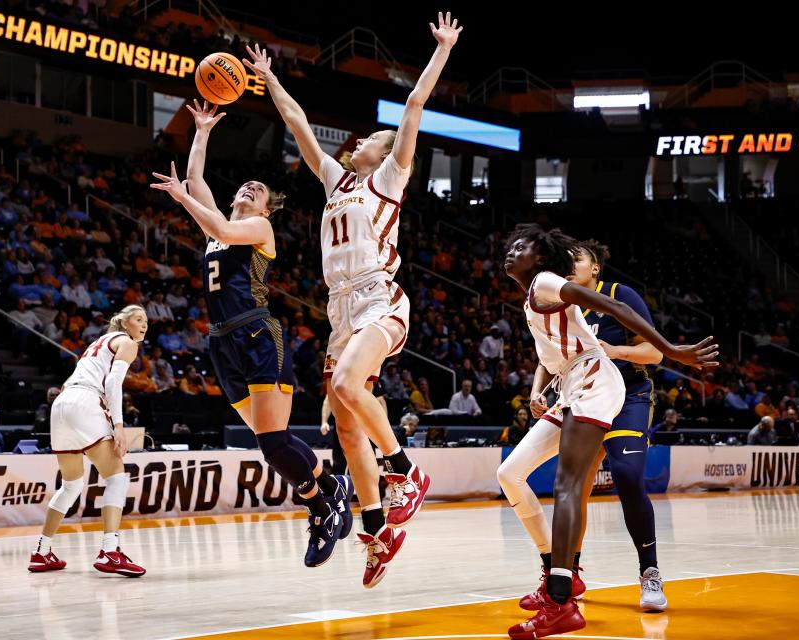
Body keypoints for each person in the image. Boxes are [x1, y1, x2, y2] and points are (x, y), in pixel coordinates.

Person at [246, 13, 462, 587]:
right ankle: (377, 528)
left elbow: (413, 105)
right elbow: (298, 126)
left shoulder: (389, 177)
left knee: (344, 387)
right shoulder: (335, 182)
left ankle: (405, 472)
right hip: (339, 309)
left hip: (378, 298)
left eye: (370, 138)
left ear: (386, 152)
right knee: (345, 429)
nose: (359, 141)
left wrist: (441, 50)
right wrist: (269, 78)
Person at [150, 99, 351, 568]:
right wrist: (201, 131)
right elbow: (198, 182)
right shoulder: (218, 233)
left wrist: (183, 199)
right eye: (247, 185)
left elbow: (207, 210)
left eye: (258, 190)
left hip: (258, 333)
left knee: (271, 442)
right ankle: (331, 485)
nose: (251, 188)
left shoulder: (258, 228)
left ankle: (321, 506)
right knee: (271, 439)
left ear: (265, 209)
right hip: (222, 342)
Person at [501, 224, 717, 639]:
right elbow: (556, 356)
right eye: (509, 248)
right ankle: (555, 571)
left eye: (521, 247)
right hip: (572, 385)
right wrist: (538, 388)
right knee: (510, 474)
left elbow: (620, 313)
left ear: (544, 257)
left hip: (600, 382)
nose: (511, 253)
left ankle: (561, 599)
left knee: (570, 484)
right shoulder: (534, 294)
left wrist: (672, 351)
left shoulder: (550, 282)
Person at [514, 239, 669, 613]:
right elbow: (547, 356)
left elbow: (655, 353)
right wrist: (537, 391)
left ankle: (650, 572)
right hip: (582, 395)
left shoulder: (619, 294)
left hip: (627, 392)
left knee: (627, 475)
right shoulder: (560, 298)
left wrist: (613, 351)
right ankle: (569, 572)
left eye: (576, 259)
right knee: (575, 487)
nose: (568, 263)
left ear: (595, 267)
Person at [27, 305, 148, 576]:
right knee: (116, 477)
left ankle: (41, 551)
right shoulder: (127, 343)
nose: (144, 325)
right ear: (124, 324)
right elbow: (113, 384)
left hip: (61, 403)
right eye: (139, 320)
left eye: (146, 321)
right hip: (85, 402)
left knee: (71, 485)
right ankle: (110, 551)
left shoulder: (98, 342)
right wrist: (118, 425)